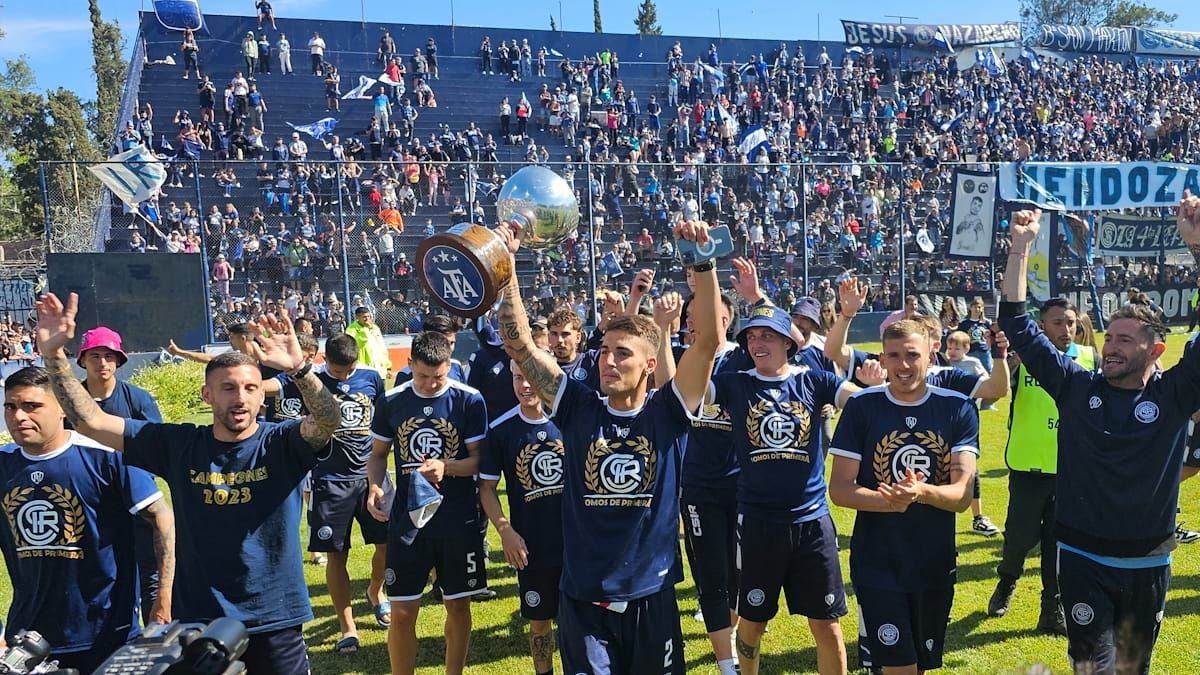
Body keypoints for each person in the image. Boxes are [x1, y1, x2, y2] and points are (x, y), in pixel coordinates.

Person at [37, 293, 342, 674]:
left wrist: (300, 370)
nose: (241, 398)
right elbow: (91, 422)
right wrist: (53, 356)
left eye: (250, 388)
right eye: (228, 388)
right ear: (206, 394)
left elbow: (328, 421)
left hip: (274, 616)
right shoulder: (180, 445)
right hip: (199, 618)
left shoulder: (282, 442)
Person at [492, 218, 721, 675]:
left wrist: (703, 263)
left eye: (622, 353)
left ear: (650, 365)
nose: (608, 361)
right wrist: (507, 269)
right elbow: (520, 347)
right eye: (605, 351)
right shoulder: (578, 407)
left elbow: (709, 342)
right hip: (583, 596)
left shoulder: (669, 411)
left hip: (649, 594)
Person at [998, 199, 1200, 673]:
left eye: (1125, 340)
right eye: (1109, 338)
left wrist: (1196, 246)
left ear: (1156, 350)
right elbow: (1017, 325)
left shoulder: (1174, 395)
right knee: (1090, 666)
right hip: (1081, 556)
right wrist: (1019, 250)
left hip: (1147, 562)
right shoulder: (1075, 386)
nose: (1110, 347)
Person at [829, 319, 980, 674]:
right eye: (894, 356)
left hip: (933, 563)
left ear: (931, 355)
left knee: (920, 666)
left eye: (913, 355)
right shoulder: (863, 406)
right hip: (877, 563)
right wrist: (890, 501)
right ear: (882, 359)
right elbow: (839, 489)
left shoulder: (957, 407)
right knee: (901, 668)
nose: (904, 365)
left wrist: (920, 492)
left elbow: (962, 495)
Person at [0, 366, 172, 672]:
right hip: (27, 636)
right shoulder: (4, 463)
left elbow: (161, 517)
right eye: (10, 407)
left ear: (63, 408)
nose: (19, 416)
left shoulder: (107, 455)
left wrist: (164, 595)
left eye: (32, 406)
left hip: (107, 632)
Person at [367, 331, 489, 675]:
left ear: (450, 365)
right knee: (403, 613)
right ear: (409, 365)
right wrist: (374, 486)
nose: (431, 384)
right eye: (422, 376)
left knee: (458, 607)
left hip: (457, 522)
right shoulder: (391, 401)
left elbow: (479, 461)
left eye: (439, 376)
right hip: (408, 524)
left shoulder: (469, 400)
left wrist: (446, 466)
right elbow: (378, 455)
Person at [261, 333, 389, 654]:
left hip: (370, 477)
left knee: (388, 546)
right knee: (336, 554)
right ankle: (348, 628)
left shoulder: (371, 378)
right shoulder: (311, 380)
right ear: (324, 359)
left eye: (349, 370)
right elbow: (273, 385)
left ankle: (376, 591)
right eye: (337, 370)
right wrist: (246, 384)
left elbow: (384, 420)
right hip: (329, 481)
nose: (344, 376)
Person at [987, 297, 1096, 637]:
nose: (1066, 329)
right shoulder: (1024, 359)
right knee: (1019, 539)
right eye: (1057, 323)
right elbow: (992, 394)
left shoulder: (1090, 358)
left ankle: (1052, 609)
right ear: (1041, 326)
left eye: (1070, 322)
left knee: (1058, 543)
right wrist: (1004, 356)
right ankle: (1007, 581)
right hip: (1028, 465)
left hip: (1070, 470)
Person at [76, 327, 174, 627]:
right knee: (99, 573)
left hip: (138, 500)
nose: (102, 363)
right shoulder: (70, 402)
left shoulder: (137, 399)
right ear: (82, 360)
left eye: (109, 356)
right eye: (95, 356)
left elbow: (158, 449)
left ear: (119, 360)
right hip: (88, 505)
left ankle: (154, 639)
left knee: (150, 572)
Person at [479, 359, 566, 675]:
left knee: (580, 620)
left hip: (577, 543)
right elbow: (486, 488)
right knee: (540, 622)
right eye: (518, 378)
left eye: (531, 377)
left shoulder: (571, 419)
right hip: (532, 546)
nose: (525, 385)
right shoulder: (500, 430)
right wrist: (505, 531)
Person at [345, 305, 391, 380]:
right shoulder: (351, 330)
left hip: (379, 369)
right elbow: (355, 346)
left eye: (368, 316)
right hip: (363, 371)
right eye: (364, 317)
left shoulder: (375, 328)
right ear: (357, 317)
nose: (367, 319)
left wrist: (388, 366)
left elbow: (382, 348)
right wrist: (365, 330)